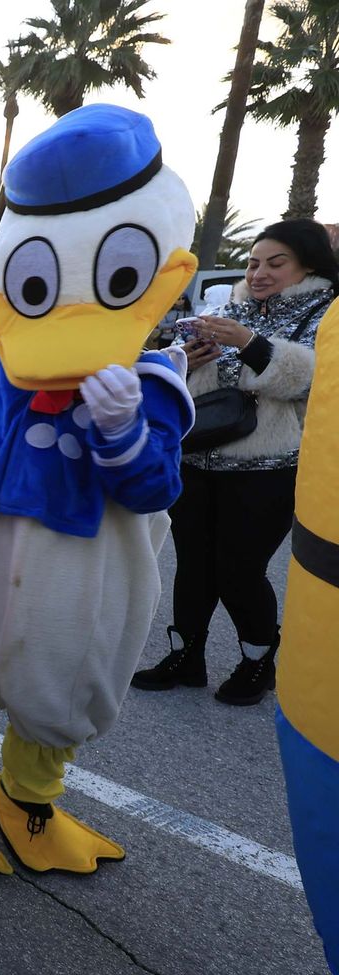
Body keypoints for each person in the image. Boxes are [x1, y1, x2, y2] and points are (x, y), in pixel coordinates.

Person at [133, 219, 337, 705]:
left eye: (275, 262)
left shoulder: (328, 313)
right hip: (200, 454)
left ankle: (259, 659)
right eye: (253, 262)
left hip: (270, 467)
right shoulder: (230, 305)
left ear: (308, 265)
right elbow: (201, 384)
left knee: (239, 570)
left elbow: (310, 382)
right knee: (193, 564)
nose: (259, 272)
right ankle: (186, 656)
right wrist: (188, 357)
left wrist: (250, 343)